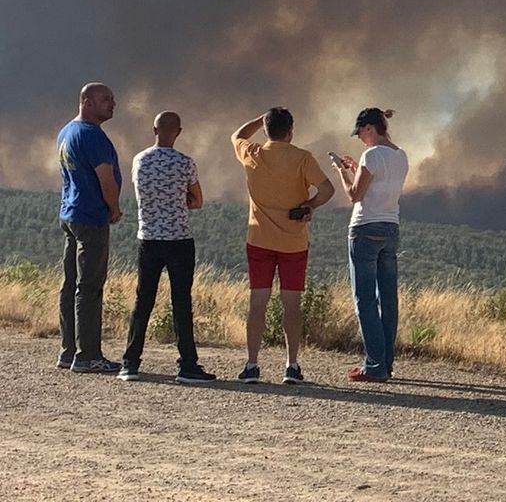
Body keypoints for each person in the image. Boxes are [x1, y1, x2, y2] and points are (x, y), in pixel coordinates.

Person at [232, 107, 333, 384]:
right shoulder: (302, 158)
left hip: (259, 240)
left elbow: (237, 135)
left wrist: (260, 118)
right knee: (292, 305)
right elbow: (327, 189)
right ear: (291, 130)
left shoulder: (252, 153)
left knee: (257, 304)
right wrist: (309, 205)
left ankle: (252, 365)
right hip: (294, 242)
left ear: (266, 130)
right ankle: (292, 365)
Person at [119, 111, 216, 383]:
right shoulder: (185, 163)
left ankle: (130, 363)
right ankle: (187, 365)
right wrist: (181, 199)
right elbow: (197, 200)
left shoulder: (139, 160)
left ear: (154, 129)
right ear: (179, 132)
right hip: (179, 240)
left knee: (143, 300)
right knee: (181, 301)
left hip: (148, 238)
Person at [333, 107, 410, 383]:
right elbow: (379, 185)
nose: (359, 139)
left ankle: (374, 364)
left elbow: (355, 195)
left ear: (369, 128)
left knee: (364, 300)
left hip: (365, 229)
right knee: (388, 300)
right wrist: (357, 169)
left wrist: (343, 173)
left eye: (360, 133)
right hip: (391, 228)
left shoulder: (372, 154)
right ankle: (386, 363)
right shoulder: (401, 155)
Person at [57, 82, 122, 373]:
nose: (112, 103)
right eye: (105, 99)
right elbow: (105, 179)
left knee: (70, 284)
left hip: (70, 214)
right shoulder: (93, 136)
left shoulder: (67, 131)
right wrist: (114, 207)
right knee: (90, 287)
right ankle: (87, 356)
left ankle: (68, 352)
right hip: (91, 217)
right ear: (86, 101)